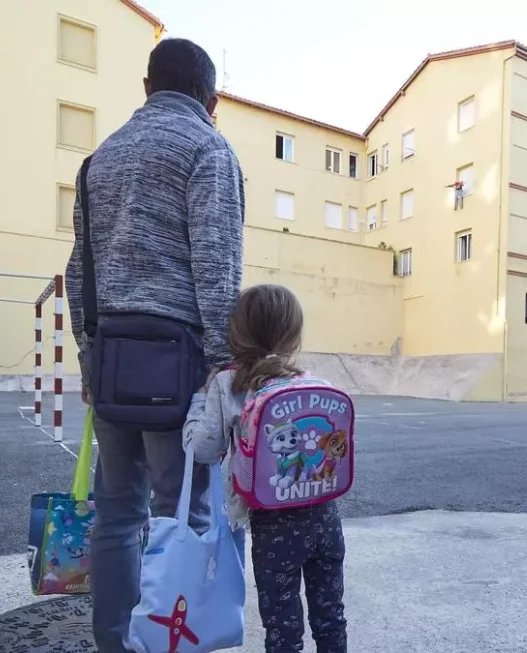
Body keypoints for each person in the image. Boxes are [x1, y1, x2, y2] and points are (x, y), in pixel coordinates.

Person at [63, 38, 245, 653]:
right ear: (210, 99)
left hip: (113, 354)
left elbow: (77, 271)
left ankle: (113, 642)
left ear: (146, 87)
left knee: (117, 513)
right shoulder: (207, 148)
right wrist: (224, 361)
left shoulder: (99, 159)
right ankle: (179, 641)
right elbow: (216, 265)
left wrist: (90, 357)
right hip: (180, 359)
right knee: (186, 512)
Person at [183, 284, 348, 653]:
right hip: (325, 516)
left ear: (237, 333)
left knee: (282, 625)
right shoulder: (312, 382)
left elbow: (203, 447)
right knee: (331, 614)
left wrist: (198, 399)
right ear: (293, 334)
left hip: (274, 525)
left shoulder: (227, 383)